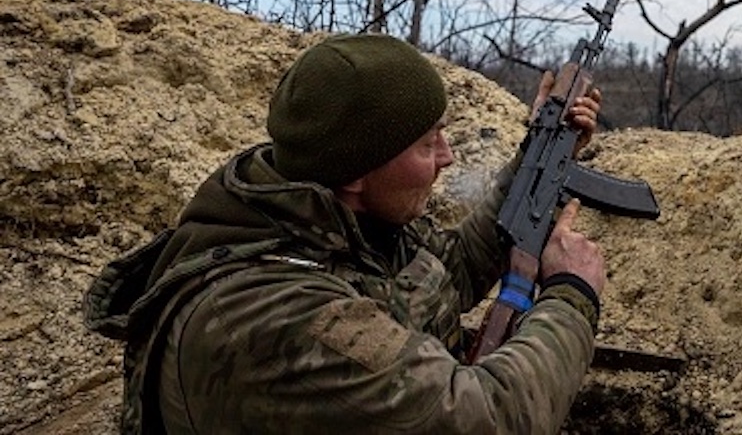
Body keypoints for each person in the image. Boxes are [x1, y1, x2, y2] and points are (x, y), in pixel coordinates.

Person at [85, 33, 606, 434]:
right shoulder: (274, 319)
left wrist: (537, 157)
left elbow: (448, 274)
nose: (447, 156)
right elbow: (485, 417)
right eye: (427, 144)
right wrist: (571, 294)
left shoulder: (331, 218)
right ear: (358, 171)